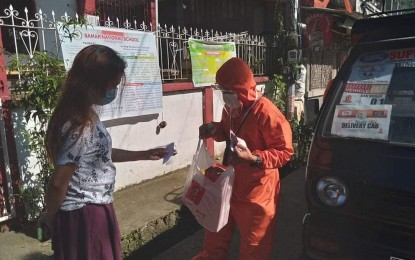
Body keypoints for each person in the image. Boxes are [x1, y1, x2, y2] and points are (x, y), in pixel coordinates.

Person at [38, 44, 169, 260]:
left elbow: (100, 154)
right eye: (112, 86)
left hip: (96, 207)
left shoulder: (87, 115)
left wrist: (144, 154)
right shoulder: (79, 124)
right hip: (84, 214)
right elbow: (58, 182)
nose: (114, 92)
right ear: (91, 83)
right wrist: (50, 216)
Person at [194, 57, 294, 260]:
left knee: (254, 246)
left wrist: (254, 158)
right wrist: (214, 129)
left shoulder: (267, 113)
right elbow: (226, 129)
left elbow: (285, 152)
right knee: (215, 230)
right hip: (229, 182)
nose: (225, 96)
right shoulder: (231, 107)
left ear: (242, 90)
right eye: (222, 91)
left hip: (257, 190)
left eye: (228, 91)